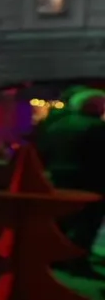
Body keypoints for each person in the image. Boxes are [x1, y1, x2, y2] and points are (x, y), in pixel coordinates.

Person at [40, 88, 105, 278]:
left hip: (58, 178)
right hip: (89, 181)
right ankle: (77, 262)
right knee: (86, 223)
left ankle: (57, 258)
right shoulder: (97, 127)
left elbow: (43, 151)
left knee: (62, 220)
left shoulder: (57, 125)